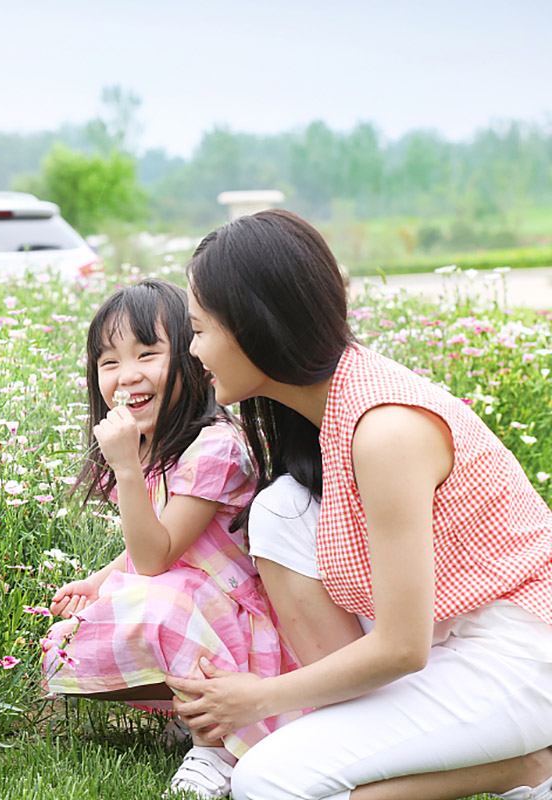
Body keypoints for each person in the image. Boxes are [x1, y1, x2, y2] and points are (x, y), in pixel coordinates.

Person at [169, 208, 552, 800]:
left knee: (269, 783)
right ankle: (395, 736)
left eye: (198, 328)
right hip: (448, 633)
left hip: (518, 653)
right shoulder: (337, 403)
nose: (192, 349)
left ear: (253, 324)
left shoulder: (385, 430)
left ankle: (528, 768)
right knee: (278, 512)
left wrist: (258, 698)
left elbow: (403, 645)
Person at [39, 278, 301, 799]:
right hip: (189, 599)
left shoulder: (215, 447)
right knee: (64, 645)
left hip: (235, 617)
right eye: (109, 362)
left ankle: (220, 747)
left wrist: (127, 469)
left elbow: (156, 557)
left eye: (148, 354)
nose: (127, 376)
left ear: (192, 358)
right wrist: (98, 580)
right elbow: (151, 540)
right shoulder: (154, 446)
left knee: (163, 607)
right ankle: (193, 711)